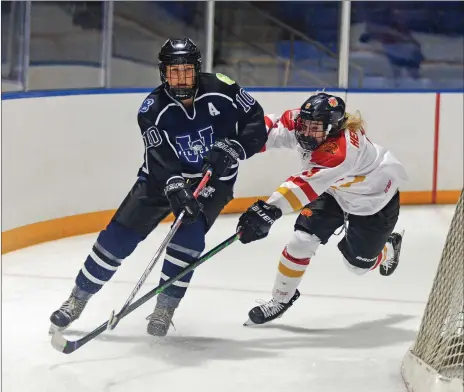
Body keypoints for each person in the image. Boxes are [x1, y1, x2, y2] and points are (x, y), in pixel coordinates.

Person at [49, 37, 267, 337]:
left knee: (188, 242)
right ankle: (77, 298)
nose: (180, 78)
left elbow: (256, 120)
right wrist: (175, 187)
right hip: (160, 181)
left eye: (187, 71)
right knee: (116, 238)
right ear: (163, 73)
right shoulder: (152, 109)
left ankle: (165, 308)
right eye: (173, 72)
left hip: (212, 182)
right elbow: (160, 156)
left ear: (197, 70)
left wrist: (235, 147)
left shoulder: (223, 88)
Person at [236, 92, 408, 325]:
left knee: (357, 266)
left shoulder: (341, 151)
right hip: (334, 191)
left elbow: (303, 185)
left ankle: (388, 248)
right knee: (301, 240)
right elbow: (271, 129)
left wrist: (269, 209)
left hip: (373, 201)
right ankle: (281, 299)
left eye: (314, 128)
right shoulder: (305, 122)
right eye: (304, 125)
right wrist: (238, 141)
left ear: (333, 127)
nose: (306, 132)